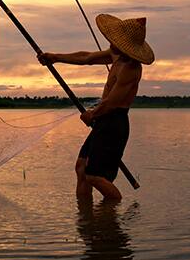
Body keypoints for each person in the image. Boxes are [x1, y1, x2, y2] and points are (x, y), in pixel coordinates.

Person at [38, 14, 155, 202]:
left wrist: (92, 114)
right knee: (81, 168)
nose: (110, 41)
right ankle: (87, 221)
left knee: (95, 176)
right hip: (104, 119)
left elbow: (113, 102)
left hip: (114, 122)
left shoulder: (130, 68)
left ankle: (114, 217)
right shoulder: (116, 55)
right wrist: (56, 58)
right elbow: (87, 58)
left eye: (114, 39)